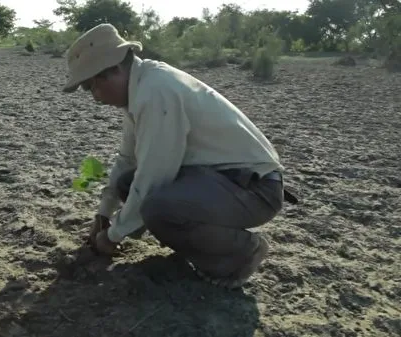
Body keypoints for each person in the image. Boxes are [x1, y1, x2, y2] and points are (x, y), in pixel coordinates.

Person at [61, 23, 297, 289]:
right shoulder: (140, 88)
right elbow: (128, 158)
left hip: (255, 190)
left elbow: (153, 176)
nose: (95, 97)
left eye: (91, 87)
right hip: (219, 180)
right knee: (128, 184)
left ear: (112, 72)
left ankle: (242, 252)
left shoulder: (155, 91)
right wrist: (104, 214)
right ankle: (196, 241)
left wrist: (112, 236)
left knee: (157, 206)